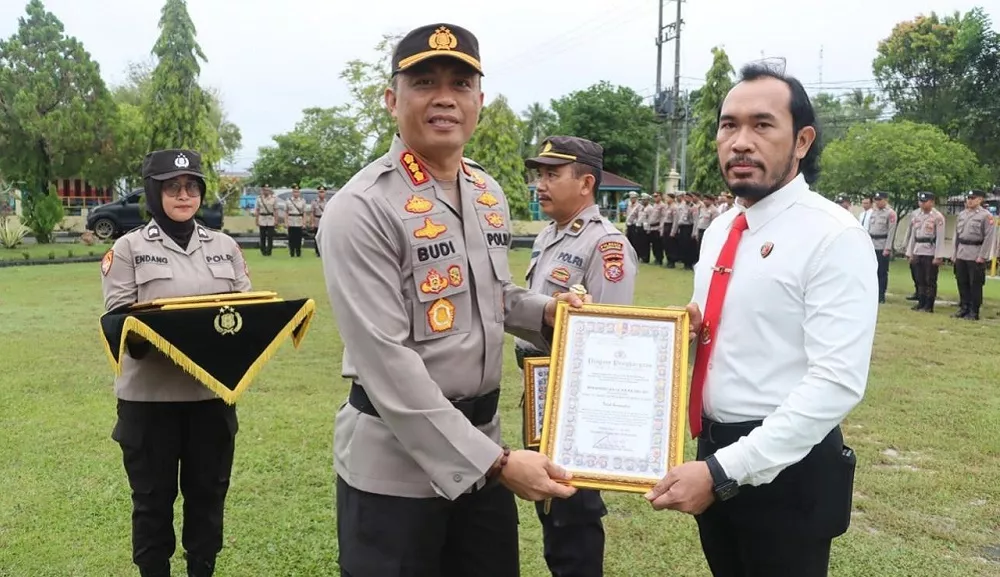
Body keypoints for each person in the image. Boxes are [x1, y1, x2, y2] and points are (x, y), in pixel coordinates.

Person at [316, 23, 585, 577]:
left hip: (483, 454)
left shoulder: (487, 193)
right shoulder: (362, 208)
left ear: (479, 101)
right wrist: (499, 464)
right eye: (424, 82)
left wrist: (548, 313)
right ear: (392, 99)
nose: (444, 97)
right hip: (397, 472)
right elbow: (385, 362)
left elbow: (491, 295)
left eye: (461, 83)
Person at [645, 63, 877, 577]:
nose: (740, 141)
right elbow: (730, 327)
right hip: (711, 450)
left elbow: (836, 382)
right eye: (728, 125)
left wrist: (724, 471)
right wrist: (674, 335)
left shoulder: (833, 236)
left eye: (762, 124)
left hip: (787, 469)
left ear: (802, 141)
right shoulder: (723, 228)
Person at [101, 149, 252, 577]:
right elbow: (118, 320)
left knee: (208, 496)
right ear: (154, 192)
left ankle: (202, 569)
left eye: (191, 187)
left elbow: (245, 311)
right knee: (152, 501)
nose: (184, 195)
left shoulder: (224, 246)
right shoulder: (127, 248)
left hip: (211, 396)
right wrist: (171, 334)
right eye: (172, 187)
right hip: (151, 400)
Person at [516, 135, 638, 577]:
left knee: (573, 514)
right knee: (551, 511)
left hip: (576, 398)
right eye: (539, 174)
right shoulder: (549, 235)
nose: (540, 184)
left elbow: (608, 338)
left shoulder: (606, 246)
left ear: (586, 183)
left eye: (552, 174)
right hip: (540, 387)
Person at [951, 189, 995, 320]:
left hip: (975, 252)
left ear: (980, 200)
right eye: (968, 198)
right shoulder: (962, 214)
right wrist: (954, 253)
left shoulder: (985, 216)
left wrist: (983, 255)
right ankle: (964, 307)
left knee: (975, 284)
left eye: (973, 198)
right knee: (962, 282)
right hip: (962, 251)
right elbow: (957, 236)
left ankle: (974, 311)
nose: (969, 200)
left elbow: (989, 237)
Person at [906, 191, 947, 313]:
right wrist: (910, 252)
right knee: (919, 279)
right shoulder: (916, 216)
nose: (922, 204)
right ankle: (921, 302)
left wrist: (938, 255)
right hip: (918, 249)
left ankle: (929, 305)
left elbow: (940, 237)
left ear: (932, 202)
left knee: (929, 280)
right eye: (920, 201)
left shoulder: (937, 217)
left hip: (930, 251)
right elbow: (913, 236)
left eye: (925, 201)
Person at [867, 191, 897, 304]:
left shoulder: (890, 213)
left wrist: (887, 248)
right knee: (872, 271)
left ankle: (881, 294)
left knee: (882, 272)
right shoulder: (874, 213)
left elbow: (891, 232)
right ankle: (873, 292)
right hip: (873, 244)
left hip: (882, 244)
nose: (877, 202)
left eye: (880, 200)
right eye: (876, 200)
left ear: (885, 200)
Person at [284, 184, 307, 257]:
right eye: (294, 192)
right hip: (291, 221)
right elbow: (286, 212)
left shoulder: (302, 201)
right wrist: (286, 222)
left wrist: (304, 223)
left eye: (297, 192)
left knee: (298, 239)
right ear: (292, 192)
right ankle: (292, 253)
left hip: (299, 221)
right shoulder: (288, 201)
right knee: (291, 238)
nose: (296, 193)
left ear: (299, 193)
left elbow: (304, 213)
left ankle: (298, 253)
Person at [254, 185, 276, 256]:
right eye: (264, 190)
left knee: (270, 237)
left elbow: (276, 210)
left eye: (267, 190)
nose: (266, 191)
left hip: (270, 218)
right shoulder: (259, 199)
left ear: (269, 191)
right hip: (262, 218)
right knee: (262, 236)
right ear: (262, 190)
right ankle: (263, 251)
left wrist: (276, 220)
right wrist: (256, 220)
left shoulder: (273, 199)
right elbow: (257, 210)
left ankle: (269, 251)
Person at [309, 185, 328, 257]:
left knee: (324, 237)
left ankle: (324, 251)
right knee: (317, 237)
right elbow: (312, 213)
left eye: (323, 192)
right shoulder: (314, 202)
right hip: (317, 220)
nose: (321, 193)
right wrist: (312, 222)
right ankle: (317, 252)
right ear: (318, 193)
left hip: (324, 221)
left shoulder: (328, 202)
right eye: (320, 192)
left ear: (325, 193)